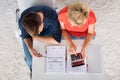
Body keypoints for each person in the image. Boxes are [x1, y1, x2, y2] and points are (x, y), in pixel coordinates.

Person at [18, 5, 61, 72]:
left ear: (41, 23)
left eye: (38, 31)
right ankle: (33, 70)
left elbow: (57, 40)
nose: (38, 33)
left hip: (47, 32)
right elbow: (25, 35)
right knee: (30, 61)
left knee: (49, 58)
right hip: (31, 36)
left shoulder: (51, 16)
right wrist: (30, 48)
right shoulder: (22, 22)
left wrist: (36, 37)